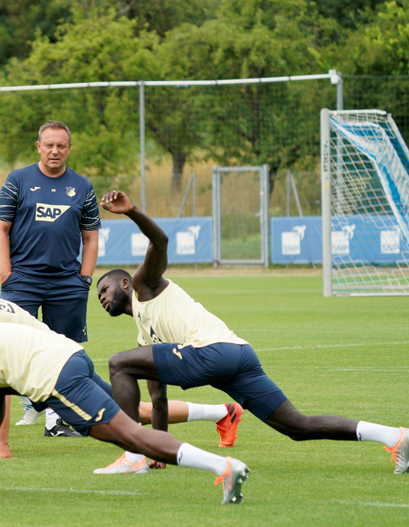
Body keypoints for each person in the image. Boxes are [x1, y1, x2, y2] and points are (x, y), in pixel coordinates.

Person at [94, 189, 409, 475]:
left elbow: (160, 241)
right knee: (297, 426)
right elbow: (158, 400)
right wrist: (158, 451)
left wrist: (132, 212)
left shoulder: (144, 285)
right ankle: (395, 436)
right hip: (238, 355)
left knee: (117, 363)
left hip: (212, 352)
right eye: (98, 297)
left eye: (105, 289)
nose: (102, 298)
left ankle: (132, 456)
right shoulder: (144, 338)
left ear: (125, 283)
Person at [0, 324, 250, 504]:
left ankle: (224, 467)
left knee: (130, 437)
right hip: (68, 355)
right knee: (132, 428)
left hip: (56, 373)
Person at [0, 285, 244, 471]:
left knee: (128, 427)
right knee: (134, 411)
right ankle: (222, 412)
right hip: (59, 357)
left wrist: (1, 443)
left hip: (50, 368)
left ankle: (207, 461)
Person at [0, 120, 100, 437]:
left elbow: (91, 237)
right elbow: (0, 229)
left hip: (67, 283)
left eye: (61, 146)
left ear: (69, 148)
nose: (55, 151)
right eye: (49, 145)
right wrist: (6, 274)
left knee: (62, 353)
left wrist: (84, 279)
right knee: (9, 349)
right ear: (38, 147)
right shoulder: (18, 180)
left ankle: (55, 421)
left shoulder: (82, 186)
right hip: (22, 280)